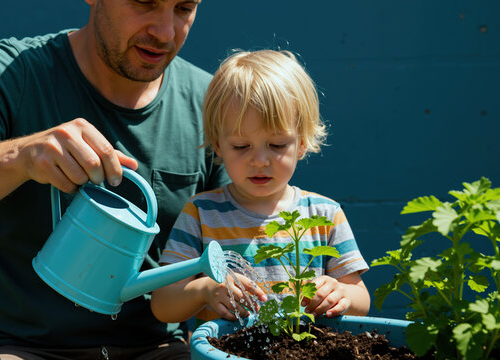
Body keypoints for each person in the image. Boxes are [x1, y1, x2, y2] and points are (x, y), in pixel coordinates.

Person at [0, 1, 230, 359]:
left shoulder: (210, 104)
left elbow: (253, 240)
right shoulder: (15, 72)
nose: (165, 32)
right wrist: (18, 158)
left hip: (158, 350)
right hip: (21, 349)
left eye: (184, 8)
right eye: (144, 3)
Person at [150, 49, 370, 327]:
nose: (259, 161)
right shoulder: (201, 213)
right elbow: (162, 305)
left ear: (301, 142)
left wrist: (342, 294)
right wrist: (205, 290)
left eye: (277, 145)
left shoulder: (325, 215)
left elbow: (361, 299)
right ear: (218, 145)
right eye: (241, 146)